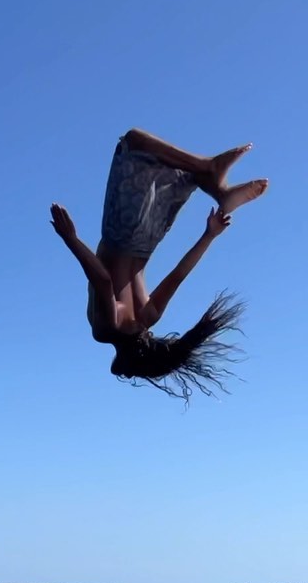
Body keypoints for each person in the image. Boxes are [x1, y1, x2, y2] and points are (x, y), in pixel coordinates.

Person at [50, 128, 268, 400]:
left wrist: (209, 235)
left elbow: (179, 274)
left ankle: (220, 192)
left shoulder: (149, 316)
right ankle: (210, 168)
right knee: (133, 144)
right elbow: (103, 282)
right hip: (123, 232)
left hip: (151, 238)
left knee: (182, 173)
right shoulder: (106, 331)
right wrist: (71, 239)